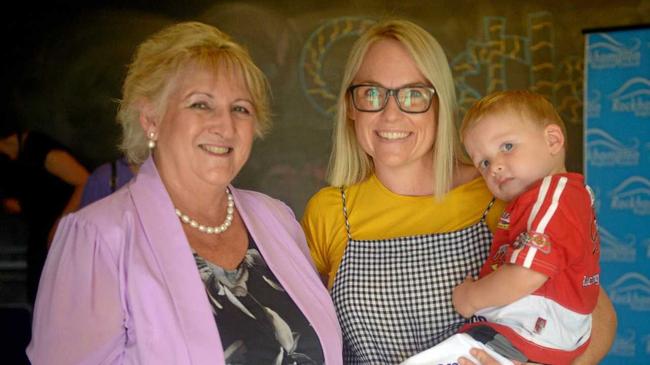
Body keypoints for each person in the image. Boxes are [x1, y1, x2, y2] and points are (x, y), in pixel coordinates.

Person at [300, 19, 616, 365]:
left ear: (440, 106)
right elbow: (304, 338)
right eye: (372, 93)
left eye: (414, 94)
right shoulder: (329, 211)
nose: (391, 114)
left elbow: (592, 312)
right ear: (351, 107)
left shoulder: (503, 193)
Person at [27, 21, 342, 364]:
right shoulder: (97, 239)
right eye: (200, 104)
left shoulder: (277, 219)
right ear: (151, 119)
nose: (225, 125)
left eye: (240, 108)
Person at [401, 90, 600, 365]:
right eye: (484, 162)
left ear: (552, 140)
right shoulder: (541, 199)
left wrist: (471, 297)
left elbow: (527, 273)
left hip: (538, 325)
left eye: (507, 146)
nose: (494, 167)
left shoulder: (555, 196)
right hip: (545, 329)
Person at [0, 126, 89, 304]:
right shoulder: (10, 161)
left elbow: (86, 181)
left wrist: (62, 225)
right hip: (40, 237)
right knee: (39, 296)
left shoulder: (42, 151)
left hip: (63, 236)